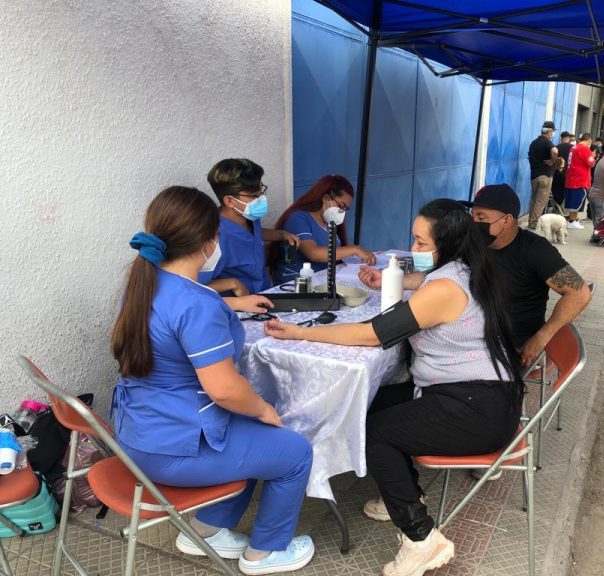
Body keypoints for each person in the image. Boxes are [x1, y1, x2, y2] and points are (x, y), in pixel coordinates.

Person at [264, 199, 525, 576]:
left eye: (421, 243)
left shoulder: (447, 286)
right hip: (473, 392)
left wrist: (299, 332)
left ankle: (421, 540)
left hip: (477, 408)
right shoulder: (466, 268)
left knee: (376, 432)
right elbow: (424, 285)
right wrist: (397, 280)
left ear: (447, 243)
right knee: (369, 404)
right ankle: (406, 493)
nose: (413, 250)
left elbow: (373, 336)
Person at [111, 186, 314, 576]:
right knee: (292, 452)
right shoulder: (196, 304)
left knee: (253, 432)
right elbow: (223, 389)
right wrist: (264, 408)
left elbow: (181, 313)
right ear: (210, 242)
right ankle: (266, 553)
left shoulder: (142, 284)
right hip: (172, 450)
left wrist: (233, 303)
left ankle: (206, 529)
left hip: (137, 433)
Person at [358, 184, 592, 368]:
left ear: (507, 221)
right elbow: (439, 280)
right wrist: (389, 279)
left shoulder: (535, 250)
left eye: (482, 218)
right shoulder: (475, 245)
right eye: (472, 217)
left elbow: (579, 293)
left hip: (506, 346)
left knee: (396, 339)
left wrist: (542, 337)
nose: (474, 224)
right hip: (466, 336)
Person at [200, 159, 300, 308]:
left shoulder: (248, 217)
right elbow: (194, 286)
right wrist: (233, 284)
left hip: (264, 297)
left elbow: (252, 236)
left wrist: (281, 234)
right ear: (229, 201)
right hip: (236, 310)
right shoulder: (215, 237)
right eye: (255, 196)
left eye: (262, 191)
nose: (261, 199)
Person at [271, 174, 375, 284]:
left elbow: (336, 250)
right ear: (326, 198)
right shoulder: (298, 218)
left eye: (345, 208)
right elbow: (313, 253)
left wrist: (357, 253)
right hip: (295, 284)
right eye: (340, 206)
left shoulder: (329, 221)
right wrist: (354, 249)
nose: (342, 212)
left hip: (323, 281)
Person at [527, 120, 559, 231]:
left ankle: (531, 221)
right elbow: (555, 151)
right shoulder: (547, 142)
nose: (553, 134)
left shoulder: (534, 142)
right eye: (553, 132)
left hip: (534, 175)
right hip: (545, 175)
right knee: (541, 201)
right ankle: (534, 224)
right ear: (549, 131)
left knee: (534, 199)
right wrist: (553, 160)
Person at [564, 133, 595, 230]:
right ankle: (572, 221)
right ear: (589, 140)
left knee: (572, 201)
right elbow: (590, 163)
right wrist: (593, 156)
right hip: (579, 179)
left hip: (572, 177)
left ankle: (573, 219)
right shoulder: (585, 149)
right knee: (577, 201)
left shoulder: (573, 148)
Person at [551, 131, 573, 209]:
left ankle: (556, 206)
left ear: (561, 138)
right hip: (568, 173)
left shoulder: (556, 147)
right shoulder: (572, 148)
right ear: (568, 138)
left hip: (556, 172)